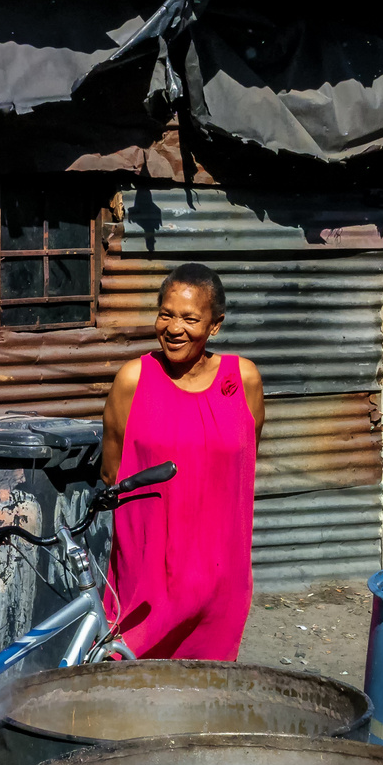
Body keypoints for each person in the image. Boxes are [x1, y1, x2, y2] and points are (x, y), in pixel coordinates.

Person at [100, 262, 264, 659]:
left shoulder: (243, 380)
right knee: (128, 688)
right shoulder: (133, 381)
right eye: (166, 315)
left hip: (220, 583)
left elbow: (243, 463)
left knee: (201, 699)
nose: (174, 328)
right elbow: (111, 473)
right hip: (147, 583)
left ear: (215, 326)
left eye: (190, 318)